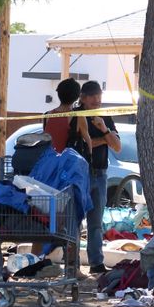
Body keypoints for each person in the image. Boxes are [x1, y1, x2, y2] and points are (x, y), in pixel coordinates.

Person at [69, 80, 121, 273]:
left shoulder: (105, 118)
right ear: (82, 98)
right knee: (73, 220)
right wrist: (102, 140)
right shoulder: (75, 116)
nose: (96, 100)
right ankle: (71, 263)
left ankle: (96, 263)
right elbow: (82, 144)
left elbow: (116, 146)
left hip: (100, 174)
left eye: (99, 95)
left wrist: (104, 130)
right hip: (79, 175)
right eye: (91, 96)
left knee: (96, 222)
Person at [44, 78, 89, 154]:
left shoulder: (46, 116)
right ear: (77, 96)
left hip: (49, 162)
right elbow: (88, 142)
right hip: (68, 163)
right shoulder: (78, 117)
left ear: (59, 93)